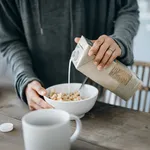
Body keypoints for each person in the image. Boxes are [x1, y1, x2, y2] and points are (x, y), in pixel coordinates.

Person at [0, 0, 139, 110]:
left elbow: (128, 9)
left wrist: (120, 40)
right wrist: (25, 78)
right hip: (40, 96)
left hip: (96, 89)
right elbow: (9, 39)